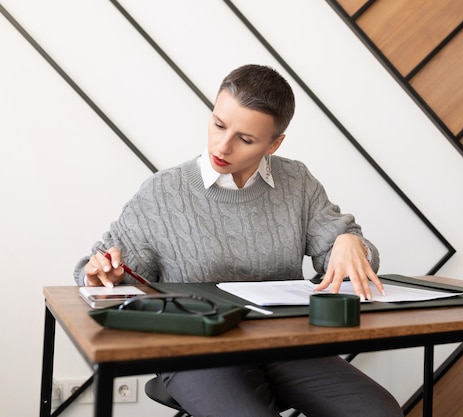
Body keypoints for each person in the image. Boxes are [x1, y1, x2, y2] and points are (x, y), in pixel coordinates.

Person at [74, 64, 403, 417]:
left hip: (285, 343)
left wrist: (351, 242)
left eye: (245, 139)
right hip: (195, 351)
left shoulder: (297, 182)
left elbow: (344, 261)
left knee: (378, 411)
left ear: (274, 143)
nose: (222, 145)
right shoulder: (164, 192)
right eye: (218, 125)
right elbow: (102, 270)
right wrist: (99, 275)